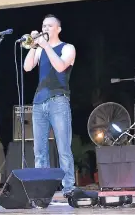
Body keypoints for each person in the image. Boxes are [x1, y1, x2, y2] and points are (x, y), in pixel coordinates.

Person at [23, 14, 77, 197]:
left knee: (63, 147)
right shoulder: (40, 49)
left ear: (58, 29)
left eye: (49, 26)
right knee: (39, 150)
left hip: (59, 101)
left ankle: (68, 187)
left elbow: (60, 66)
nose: (45, 29)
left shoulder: (68, 47)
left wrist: (46, 46)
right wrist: (34, 46)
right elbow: (27, 67)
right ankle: (42, 188)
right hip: (39, 102)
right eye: (43, 26)